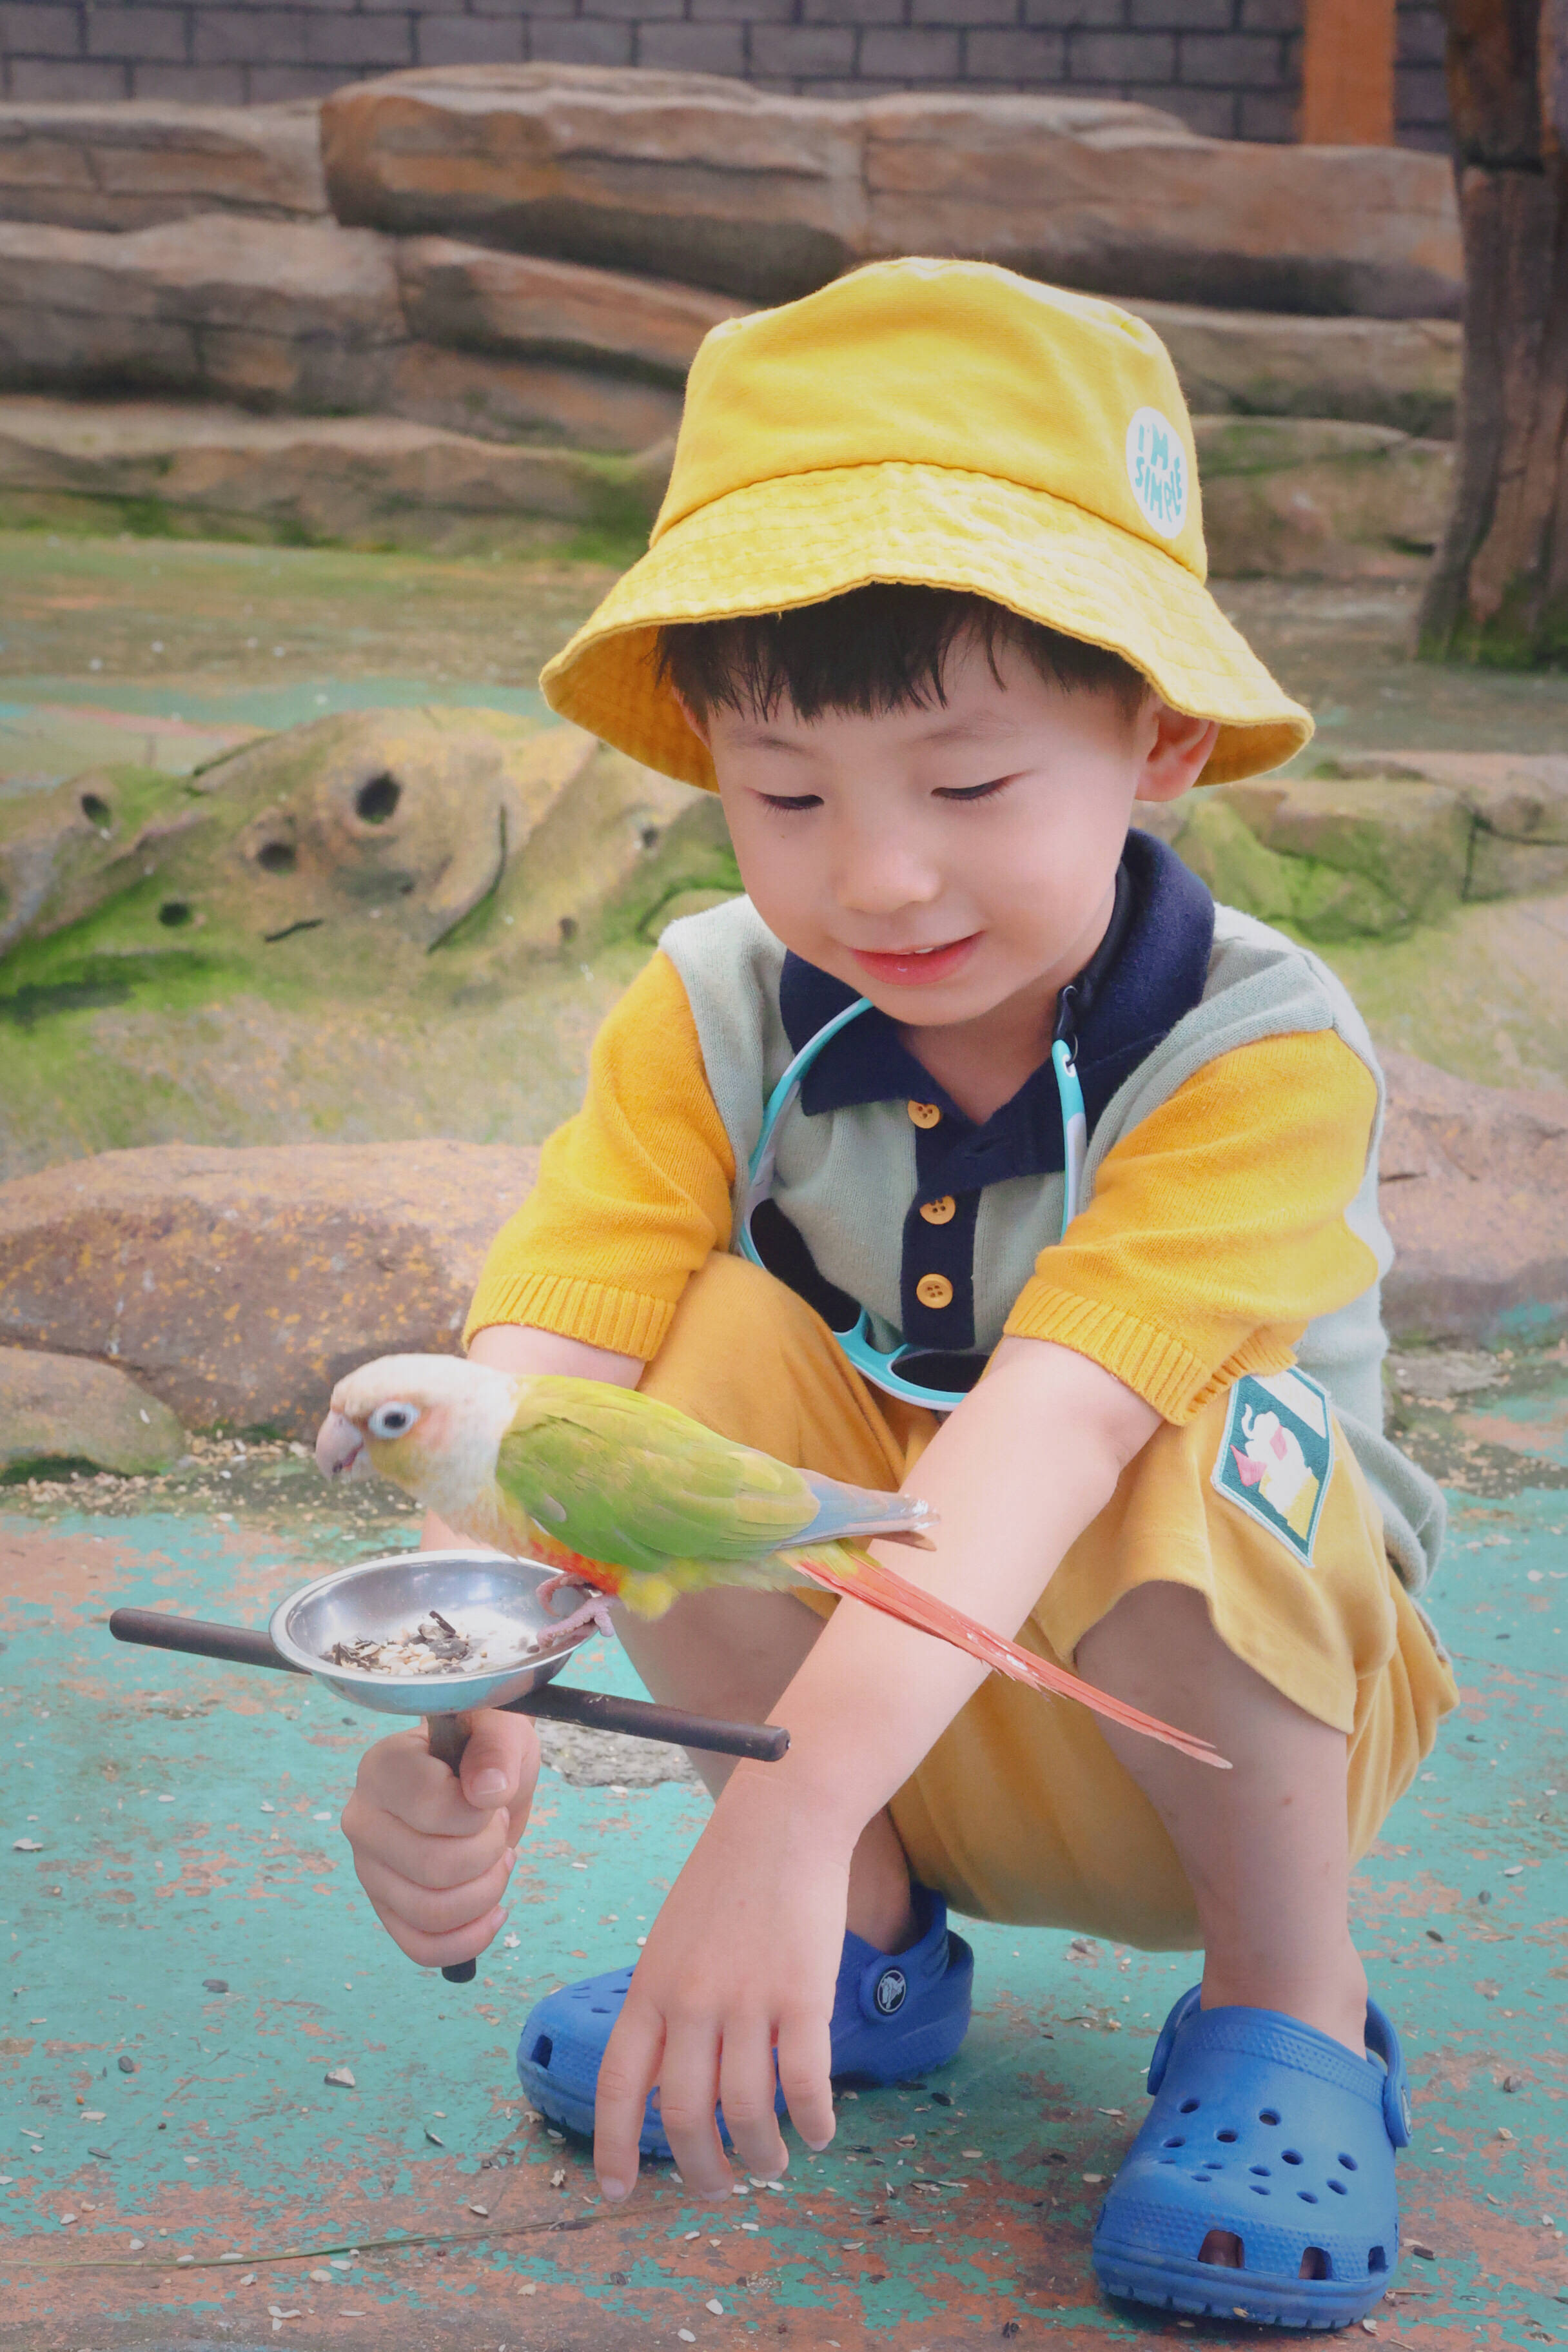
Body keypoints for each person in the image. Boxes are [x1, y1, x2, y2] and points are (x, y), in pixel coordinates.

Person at [338, 258, 1456, 2328]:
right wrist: (462, 1680)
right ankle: (855, 1946)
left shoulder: (1254, 1054)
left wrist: (771, 1819)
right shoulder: (713, 1007)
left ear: (1162, 737)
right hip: (876, 1707)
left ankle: (1295, 2010)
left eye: (964, 785)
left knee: (1189, 1432)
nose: (878, 879)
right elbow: (544, 1372)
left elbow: (1048, 1440)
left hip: (1192, 1724)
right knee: (684, 1357)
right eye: (786, 794)